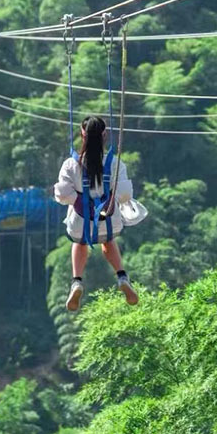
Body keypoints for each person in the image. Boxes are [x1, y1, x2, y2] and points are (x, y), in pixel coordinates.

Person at [54, 115, 147, 312]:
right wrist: (108, 200)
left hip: (80, 223)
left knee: (79, 243)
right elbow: (124, 195)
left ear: (82, 135)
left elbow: (61, 194)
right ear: (104, 135)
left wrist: (79, 202)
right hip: (109, 221)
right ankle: (121, 276)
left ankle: (77, 280)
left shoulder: (71, 164)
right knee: (108, 241)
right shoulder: (115, 164)